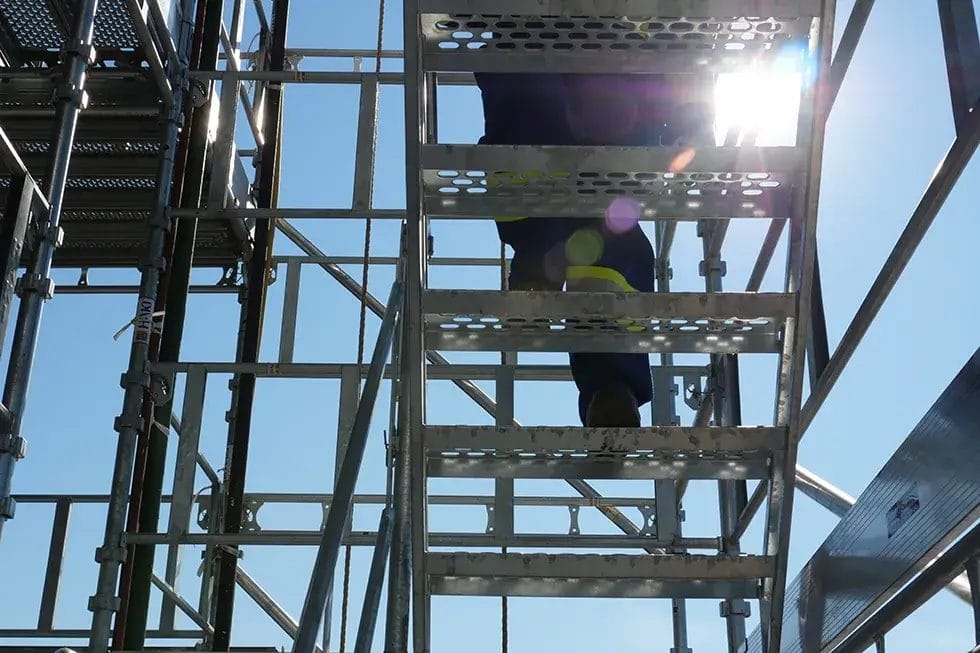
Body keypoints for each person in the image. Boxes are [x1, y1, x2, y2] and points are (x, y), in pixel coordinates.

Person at [475, 72, 712, 427]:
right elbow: (681, 55)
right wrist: (691, 123)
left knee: (524, 98)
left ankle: (537, 270)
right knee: (611, 237)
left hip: (533, 130)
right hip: (614, 117)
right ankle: (610, 379)